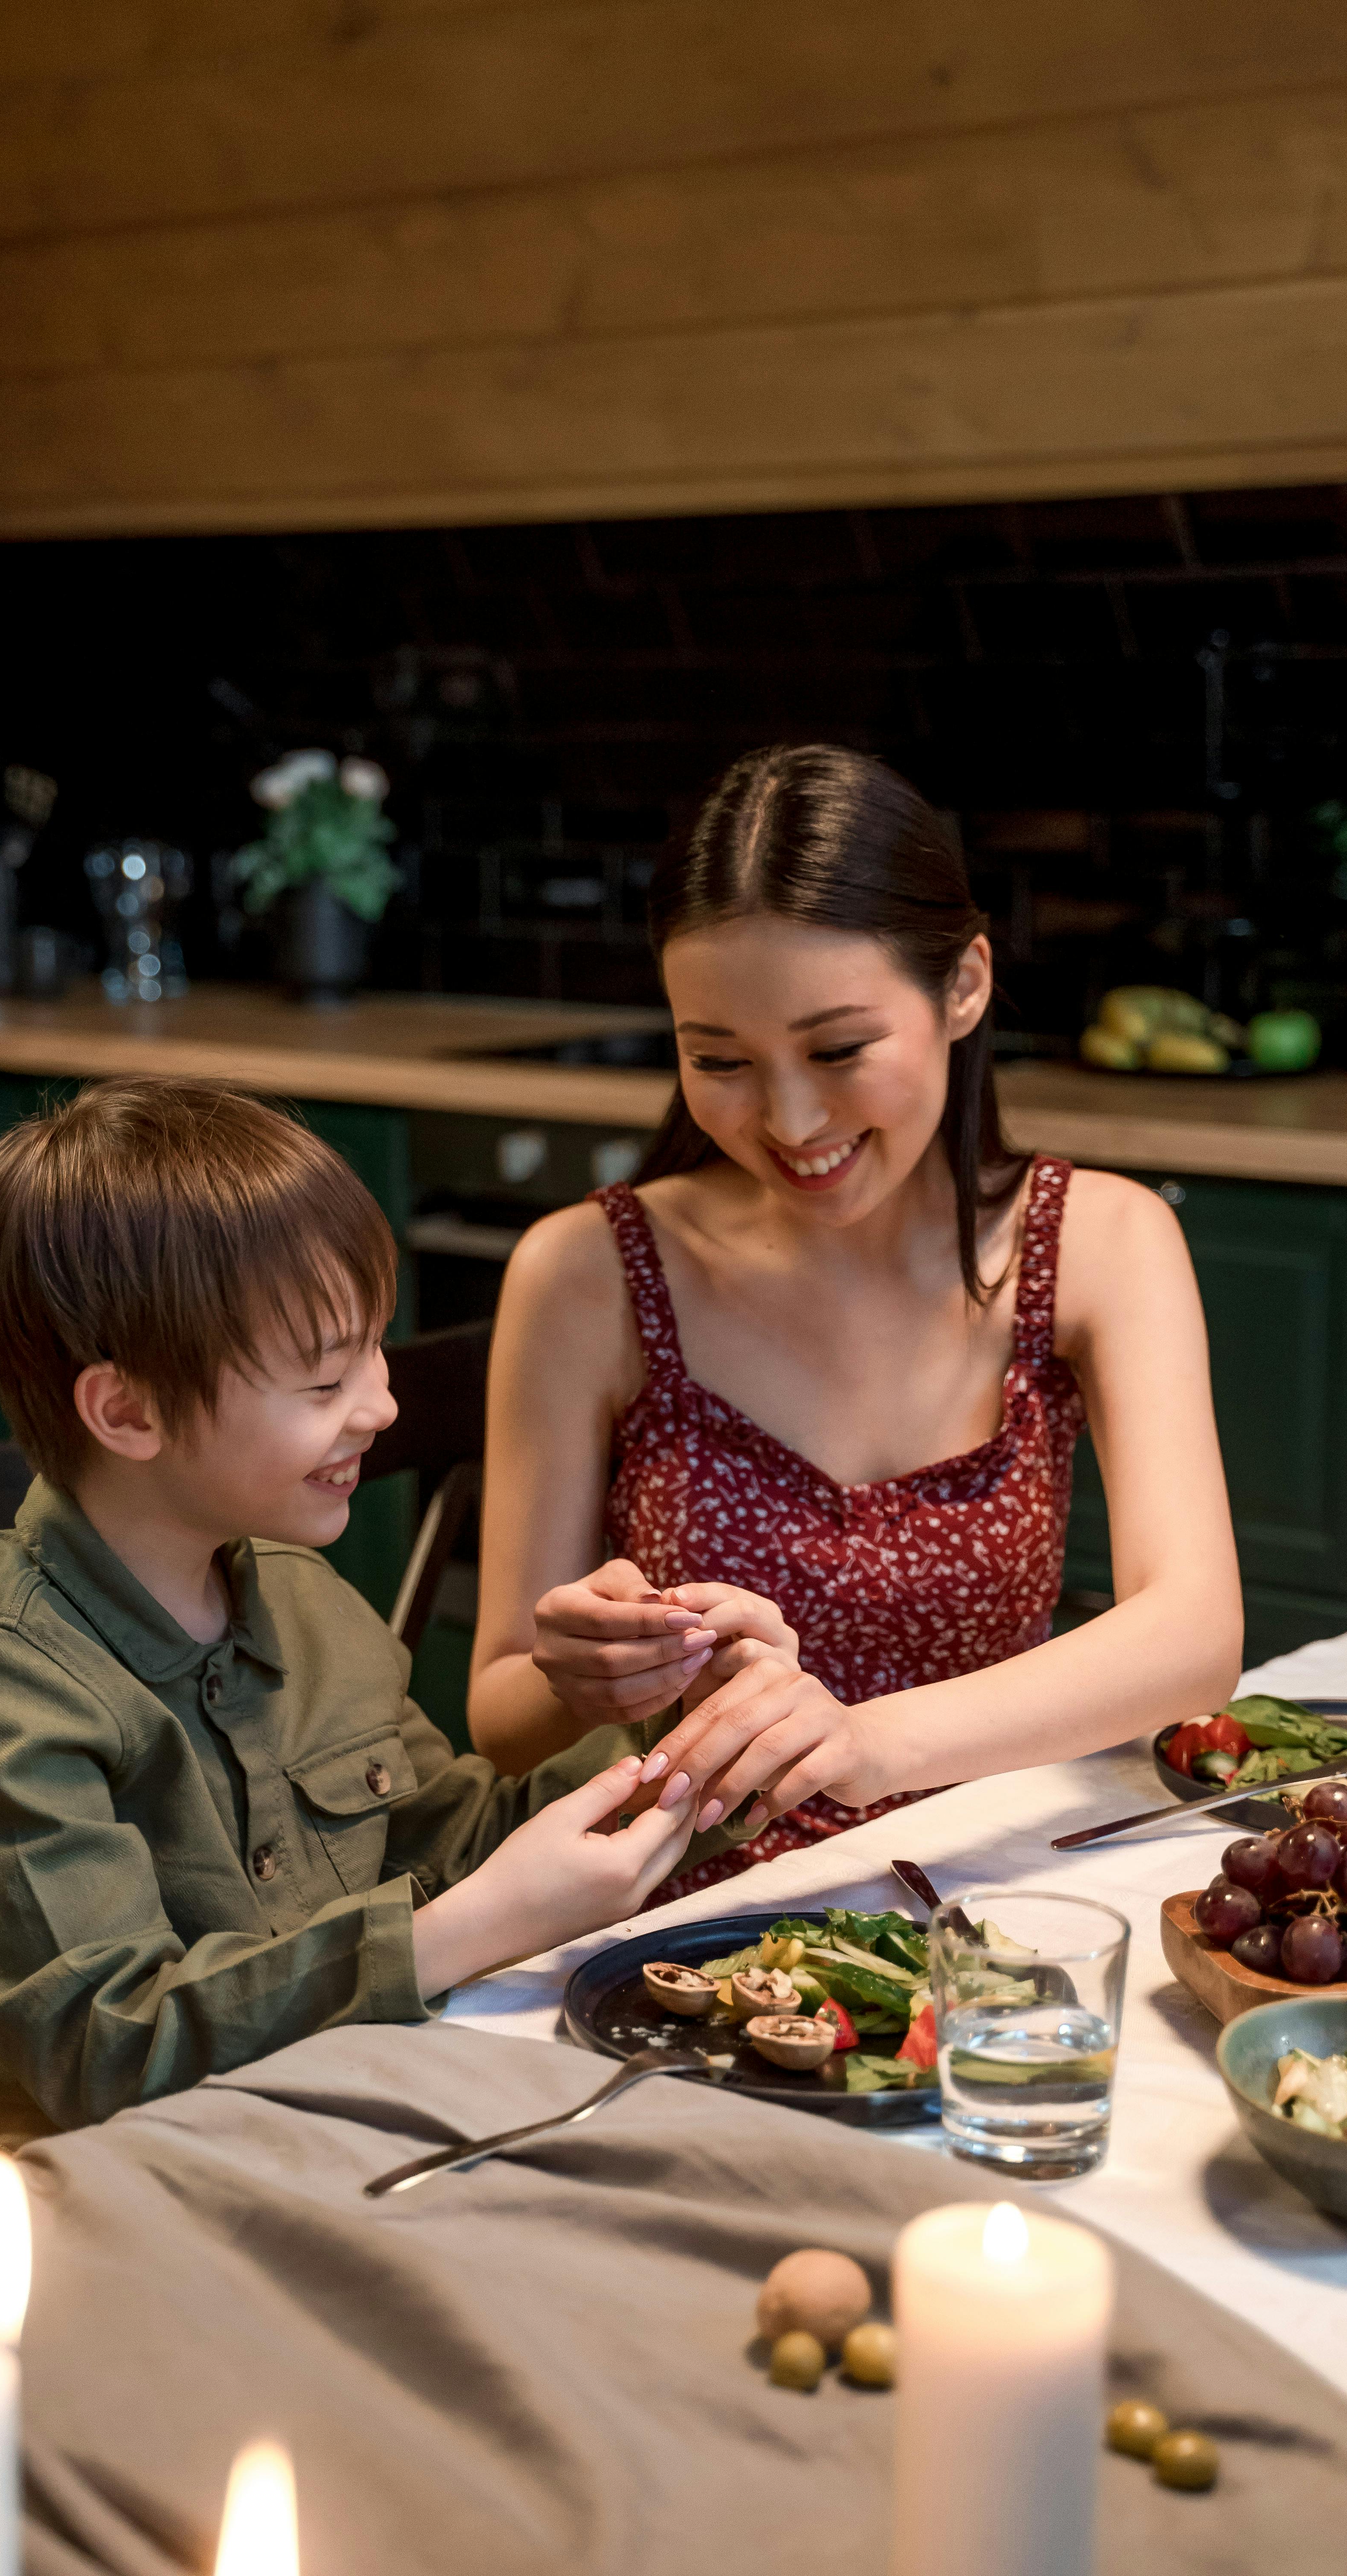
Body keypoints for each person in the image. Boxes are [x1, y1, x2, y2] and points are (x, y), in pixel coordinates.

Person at [0, 1079, 738, 2208]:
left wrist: (691, 1727)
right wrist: (469, 1929)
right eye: (324, 1379)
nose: (381, 1406)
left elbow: (445, 1841)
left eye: (373, 1352)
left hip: (328, 2157)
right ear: (126, 1414)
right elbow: (109, 2053)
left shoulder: (299, 1598)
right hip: (80, 2236)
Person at [468, 744, 1242, 1896]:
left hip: (989, 1897)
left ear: (964, 986)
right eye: (718, 1059)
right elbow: (498, 1712)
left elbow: (1193, 1639)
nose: (787, 1119)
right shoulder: (586, 1272)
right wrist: (582, 1675)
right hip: (684, 1936)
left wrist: (868, 1742)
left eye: (839, 1050)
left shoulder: (1098, 1243)